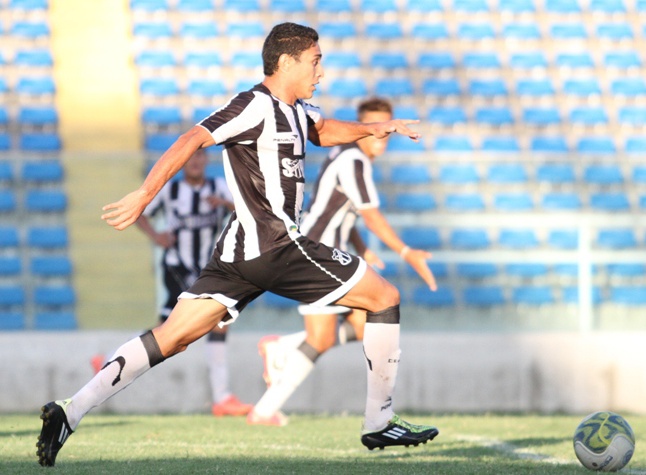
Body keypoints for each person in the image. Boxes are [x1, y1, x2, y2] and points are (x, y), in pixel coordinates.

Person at [36, 22, 439, 467]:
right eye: (315, 62)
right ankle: (379, 420)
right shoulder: (252, 105)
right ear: (286, 62)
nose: (321, 72)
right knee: (384, 296)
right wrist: (145, 194)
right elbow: (193, 138)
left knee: (171, 338)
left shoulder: (299, 111)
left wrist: (375, 127)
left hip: (237, 256)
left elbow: (323, 130)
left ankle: (69, 411)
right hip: (276, 245)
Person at [247, 97, 437, 426]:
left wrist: (361, 248)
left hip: (328, 251)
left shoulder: (349, 156)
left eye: (387, 130)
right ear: (365, 128)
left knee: (364, 324)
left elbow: (343, 211)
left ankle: (282, 351)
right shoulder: (353, 160)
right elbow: (370, 215)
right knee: (323, 337)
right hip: (315, 253)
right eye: (377, 129)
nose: (382, 136)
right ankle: (265, 408)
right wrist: (407, 252)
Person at [135, 149, 252, 417]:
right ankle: (112, 361)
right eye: (190, 158)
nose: (195, 162)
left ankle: (222, 397)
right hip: (177, 266)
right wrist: (157, 236)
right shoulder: (170, 190)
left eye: (200, 157)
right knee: (167, 330)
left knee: (220, 323)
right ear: (183, 162)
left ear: (206, 160)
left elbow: (250, 210)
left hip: (209, 269)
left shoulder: (218, 186)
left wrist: (225, 204)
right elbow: (140, 213)